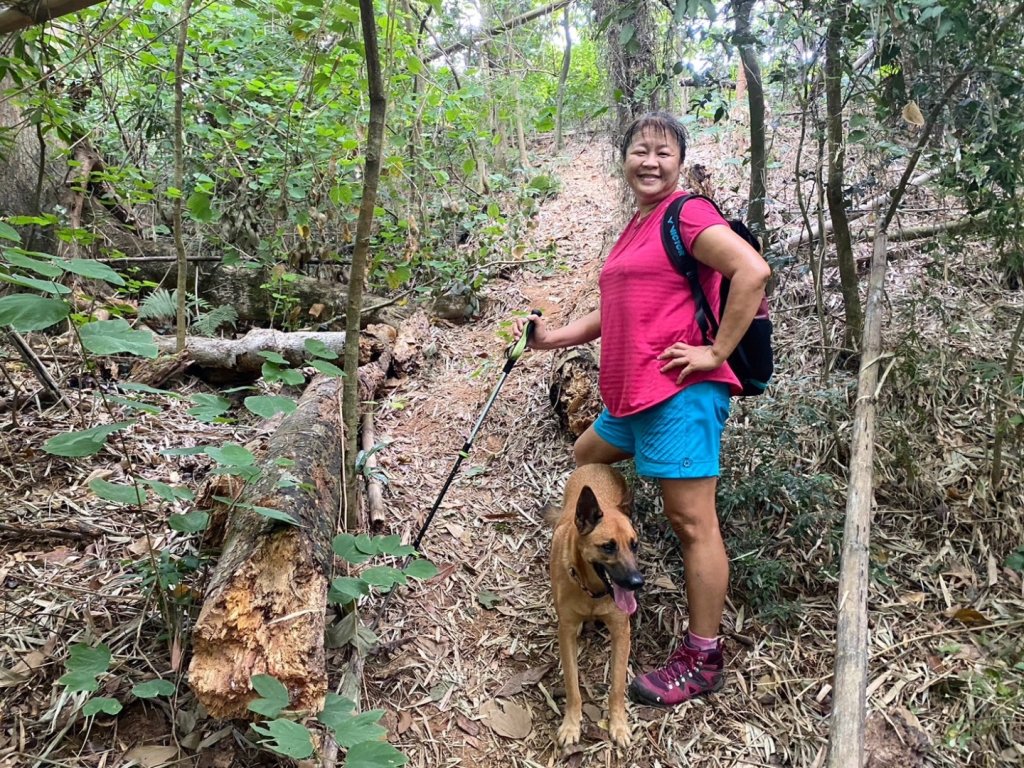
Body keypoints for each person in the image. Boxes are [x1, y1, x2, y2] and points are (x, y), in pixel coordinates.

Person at [513, 111, 770, 707]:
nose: (650, 161)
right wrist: (555, 338)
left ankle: (702, 656)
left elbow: (752, 272)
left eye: (663, 151)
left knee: (691, 523)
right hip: (631, 397)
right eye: (639, 150)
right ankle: (604, 548)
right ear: (623, 158)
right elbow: (620, 306)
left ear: (680, 162)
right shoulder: (637, 226)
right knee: (586, 456)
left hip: (679, 394)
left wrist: (715, 352)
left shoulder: (688, 215)